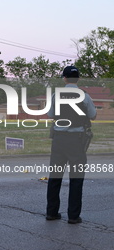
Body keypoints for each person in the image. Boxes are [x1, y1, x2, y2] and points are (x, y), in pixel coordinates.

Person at [46, 66, 97, 224]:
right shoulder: (85, 96)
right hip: (77, 140)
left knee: (55, 177)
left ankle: (52, 213)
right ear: (78, 79)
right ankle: (73, 216)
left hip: (59, 139)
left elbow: (51, 114)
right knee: (76, 179)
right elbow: (93, 116)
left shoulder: (56, 95)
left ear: (64, 78)